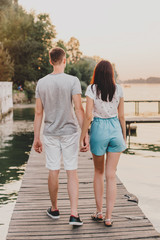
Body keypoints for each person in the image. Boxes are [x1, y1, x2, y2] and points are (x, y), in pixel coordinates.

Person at [33, 47, 89, 226]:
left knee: (53, 170)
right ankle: (74, 214)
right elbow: (79, 109)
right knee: (72, 171)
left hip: (50, 133)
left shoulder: (41, 83)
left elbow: (38, 112)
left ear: (50, 61)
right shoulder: (73, 81)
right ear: (64, 60)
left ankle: (55, 209)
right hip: (70, 132)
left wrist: (36, 137)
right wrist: (84, 133)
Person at [80, 60, 126, 227]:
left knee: (99, 173)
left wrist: (83, 135)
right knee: (111, 175)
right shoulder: (119, 89)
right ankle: (108, 217)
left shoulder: (92, 89)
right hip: (115, 130)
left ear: (97, 73)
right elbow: (122, 116)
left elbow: (88, 116)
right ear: (111, 73)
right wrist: (124, 136)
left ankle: (99, 212)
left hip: (99, 129)